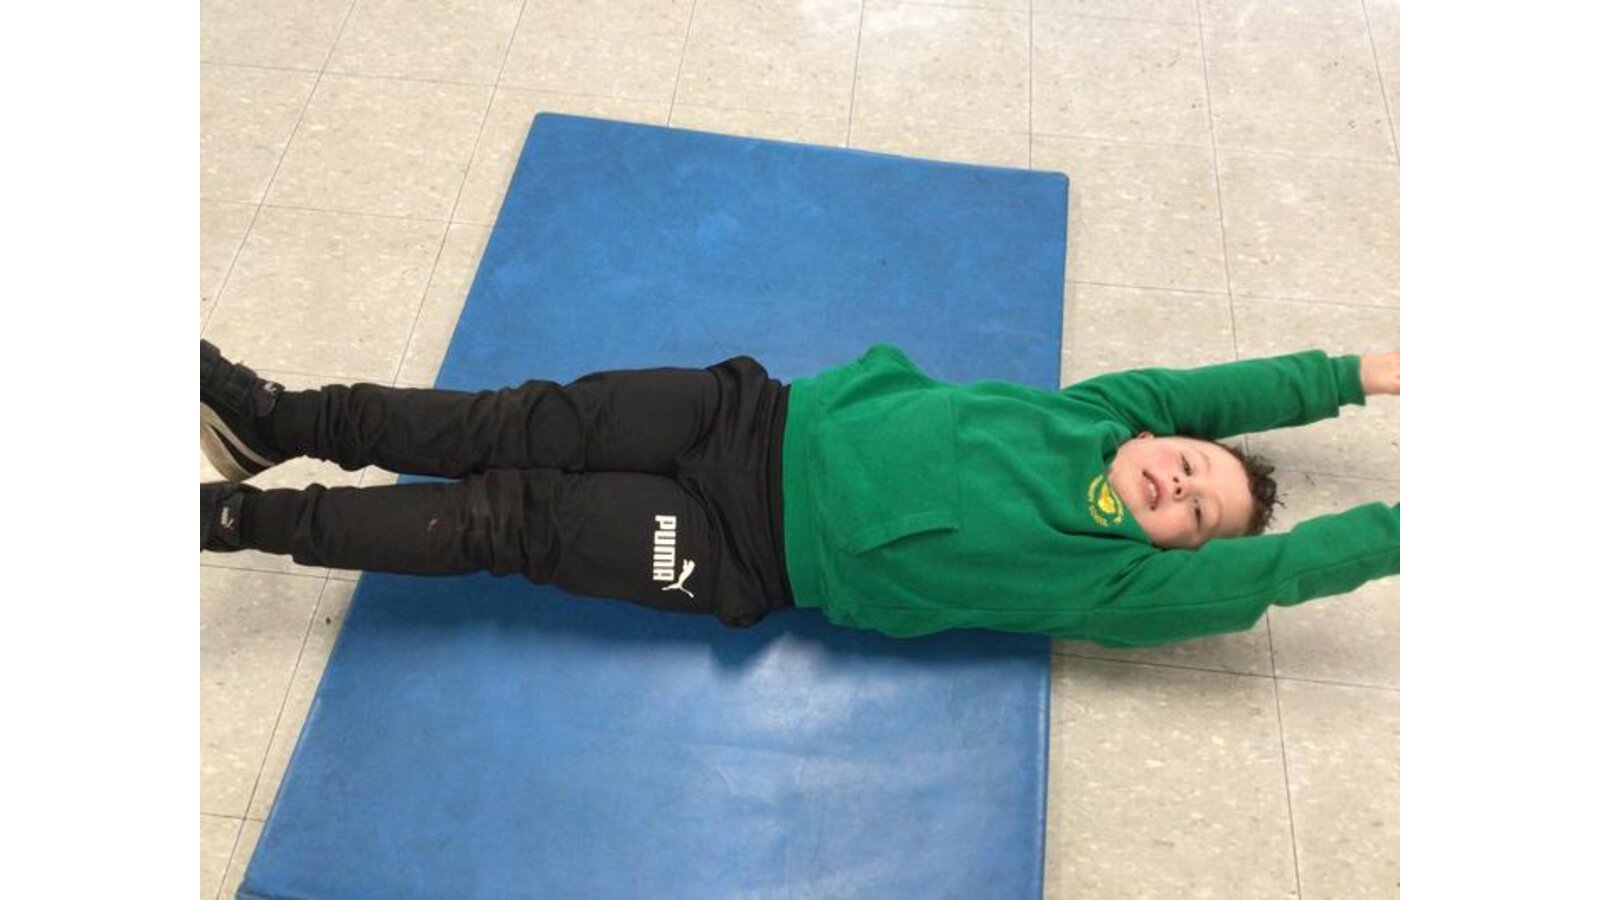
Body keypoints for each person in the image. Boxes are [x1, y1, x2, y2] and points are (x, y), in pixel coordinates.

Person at [200, 339, 1400, 646]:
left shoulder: (1109, 581)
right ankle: (273, 420)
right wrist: (1353, 375)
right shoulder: (1102, 413)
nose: (1179, 484)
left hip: (742, 547)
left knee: (504, 518)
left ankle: (238, 519)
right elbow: (1217, 390)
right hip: (749, 414)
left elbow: (1277, 569)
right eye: (1193, 463)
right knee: (509, 421)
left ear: (1176, 555)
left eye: (1195, 514)